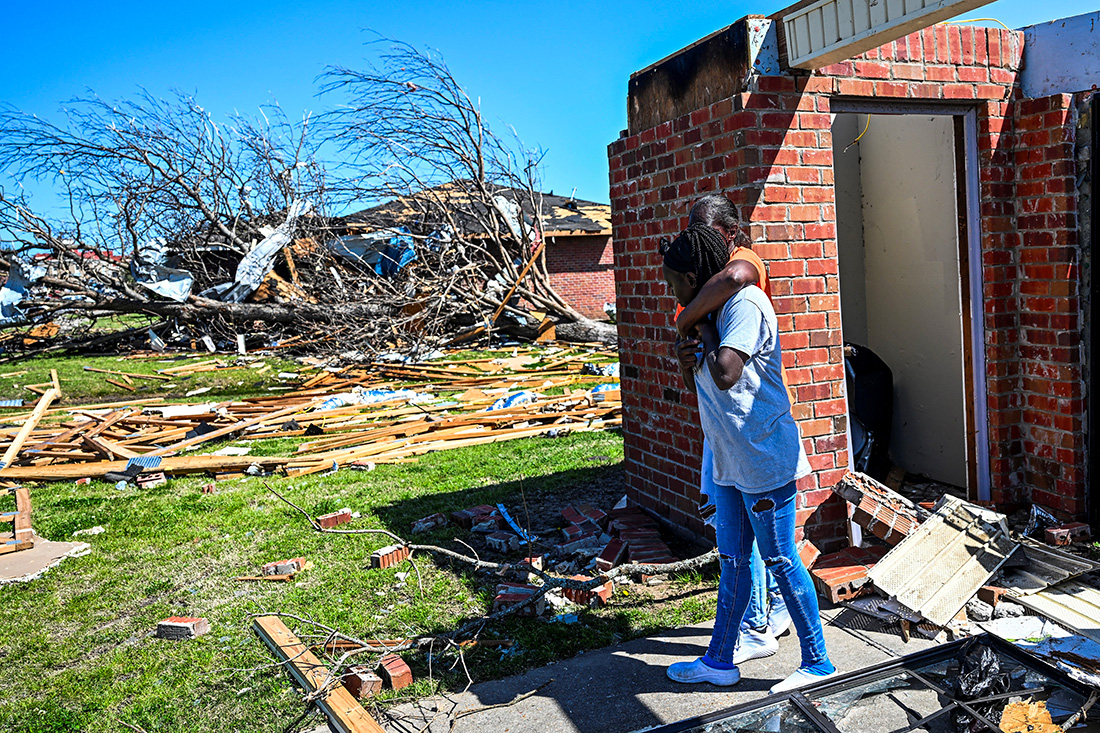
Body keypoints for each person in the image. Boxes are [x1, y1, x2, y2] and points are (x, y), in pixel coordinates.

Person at [660, 223, 836, 693]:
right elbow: (700, 386)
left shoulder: (744, 305)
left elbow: (726, 374)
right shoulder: (706, 312)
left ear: (693, 278)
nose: (672, 294)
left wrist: (695, 322)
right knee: (734, 561)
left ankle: (818, 663)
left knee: (779, 559)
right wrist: (684, 357)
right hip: (728, 459)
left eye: (674, 283)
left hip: (763, 457)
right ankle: (719, 661)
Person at [681, 195, 792, 663]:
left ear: (731, 234)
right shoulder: (712, 289)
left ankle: (758, 625)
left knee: (760, 542)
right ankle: (765, 617)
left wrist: (687, 315)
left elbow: (734, 277)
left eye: (707, 235)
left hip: (751, 429)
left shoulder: (741, 270)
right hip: (726, 429)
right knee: (742, 540)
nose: (699, 244)